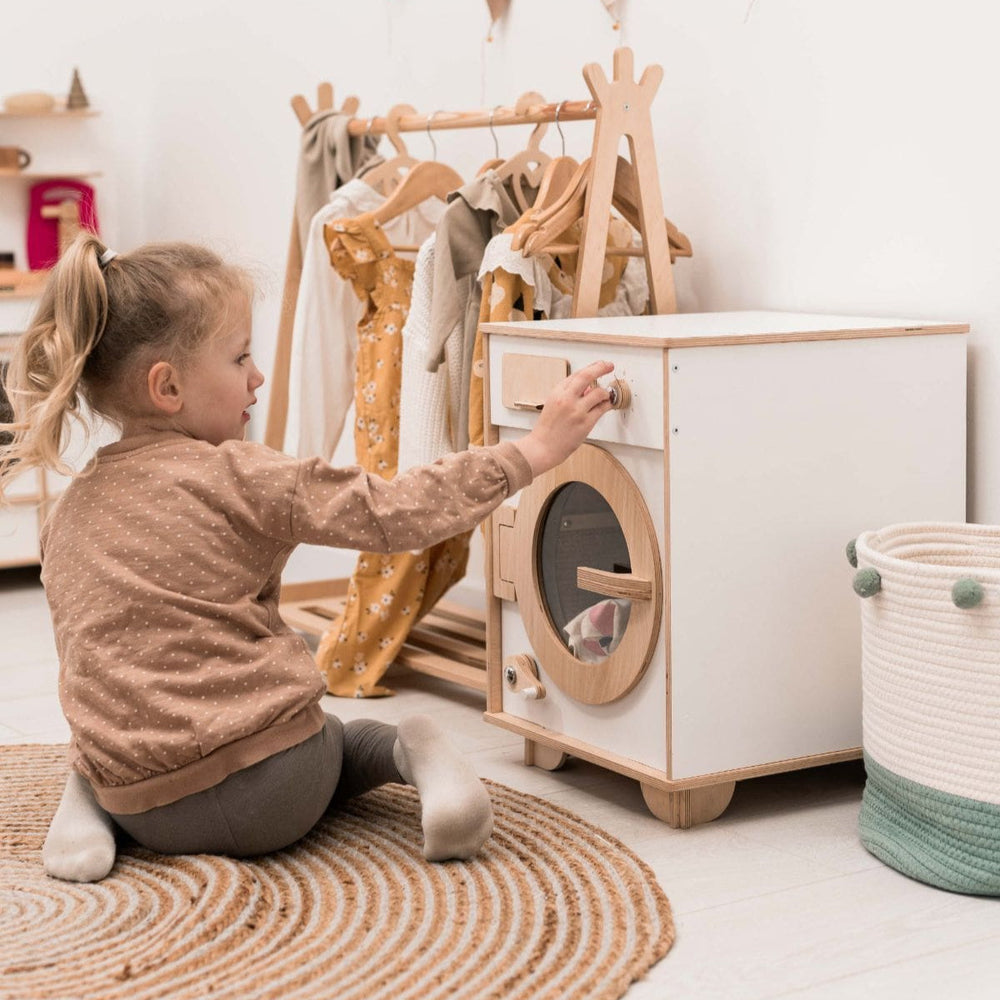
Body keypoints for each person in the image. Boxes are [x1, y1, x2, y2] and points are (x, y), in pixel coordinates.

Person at [0, 233, 614, 882]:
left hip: (147, 811)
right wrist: (534, 450)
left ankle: (88, 797)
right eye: (240, 358)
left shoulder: (65, 512)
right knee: (349, 742)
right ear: (168, 386)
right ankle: (418, 751)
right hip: (284, 788)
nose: (257, 376)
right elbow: (396, 510)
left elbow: (91, 664)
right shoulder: (238, 474)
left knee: (112, 707)